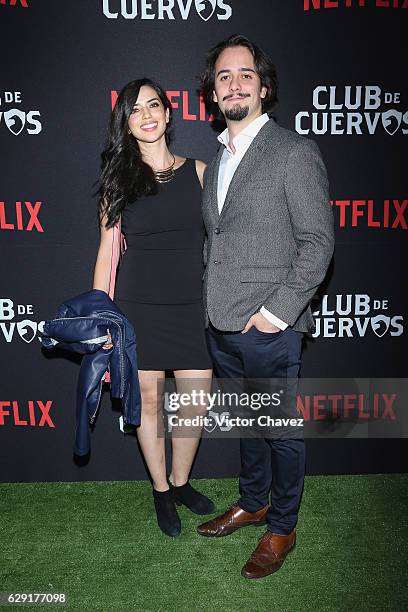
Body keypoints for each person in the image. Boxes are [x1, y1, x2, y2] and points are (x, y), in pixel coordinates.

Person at [197, 35, 334, 578]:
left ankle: (282, 525)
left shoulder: (293, 151)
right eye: (224, 76)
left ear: (264, 86)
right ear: (213, 91)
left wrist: (276, 314)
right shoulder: (218, 157)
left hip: (268, 325)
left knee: (279, 428)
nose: (234, 84)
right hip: (222, 323)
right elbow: (219, 240)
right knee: (249, 425)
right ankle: (252, 502)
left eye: (245, 75)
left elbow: (318, 241)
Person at [93, 78, 214, 537]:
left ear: (168, 112)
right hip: (138, 306)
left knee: (194, 404)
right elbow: (107, 253)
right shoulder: (117, 181)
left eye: (154, 105)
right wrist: (103, 318)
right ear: (125, 122)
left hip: (192, 306)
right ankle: (161, 490)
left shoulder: (202, 172)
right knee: (146, 404)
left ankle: (182, 482)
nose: (146, 114)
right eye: (135, 109)